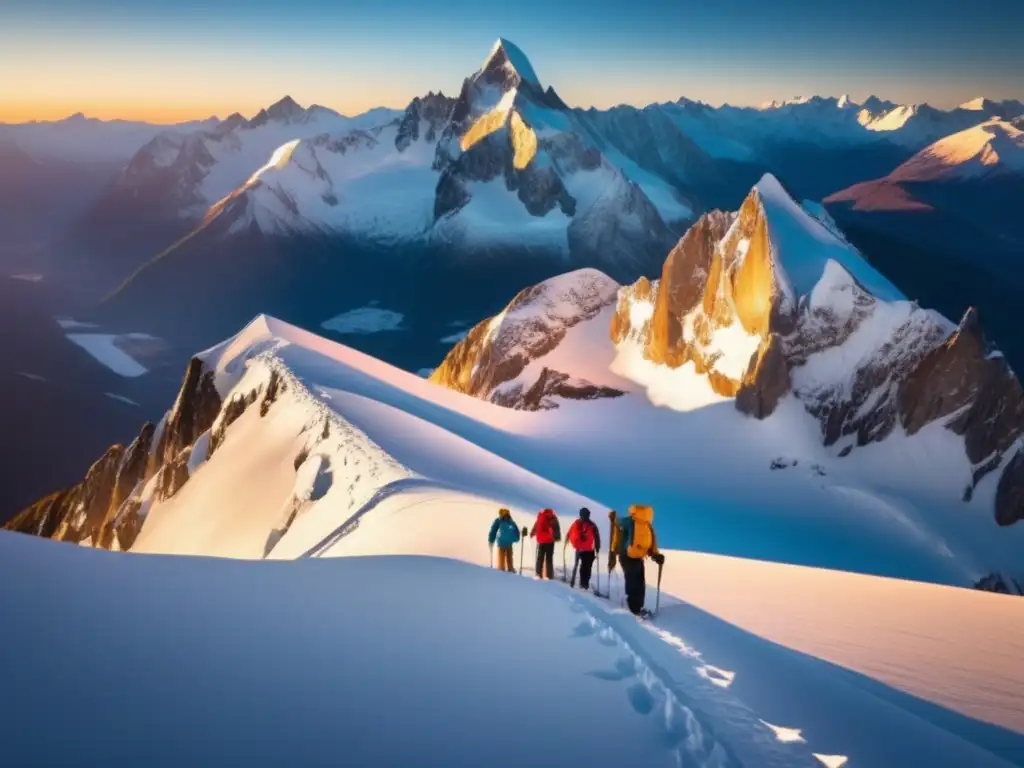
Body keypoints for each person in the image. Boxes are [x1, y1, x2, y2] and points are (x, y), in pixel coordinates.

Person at [617, 504, 665, 615]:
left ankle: (635, 608)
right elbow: (652, 544)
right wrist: (656, 555)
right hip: (638, 557)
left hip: (627, 555)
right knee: (639, 582)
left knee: (632, 580)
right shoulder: (648, 527)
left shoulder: (630, 520)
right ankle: (635, 608)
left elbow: (617, 522)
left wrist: (613, 517)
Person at [566, 507, 601, 589]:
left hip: (579, 548)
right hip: (588, 550)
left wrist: (567, 540)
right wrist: (597, 548)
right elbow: (597, 538)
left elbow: (569, 532)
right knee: (586, 568)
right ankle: (584, 584)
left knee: (576, 565)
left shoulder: (576, 523)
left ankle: (573, 583)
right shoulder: (592, 525)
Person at [530, 508, 561, 579]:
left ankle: (538, 574)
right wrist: (557, 537)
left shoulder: (540, 516)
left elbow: (536, 525)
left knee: (539, 558)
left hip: (541, 540)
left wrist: (532, 533)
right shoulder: (553, 517)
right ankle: (549, 575)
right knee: (549, 558)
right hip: (550, 541)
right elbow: (556, 527)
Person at [488, 508, 521, 572]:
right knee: (509, 558)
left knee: (501, 558)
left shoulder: (498, 520)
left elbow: (493, 530)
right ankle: (510, 569)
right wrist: (517, 539)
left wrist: (491, 540)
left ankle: (501, 569)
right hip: (509, 543)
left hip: (501, 543)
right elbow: (516, 531)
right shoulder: (511, 521)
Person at [607, 510, 621, 574]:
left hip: (615, 545)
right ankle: (611, 569)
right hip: (615, 546)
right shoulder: (614, 523)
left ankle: (611, 569)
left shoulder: (616, 523)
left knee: (612, 555)